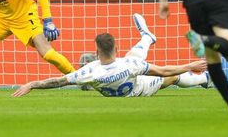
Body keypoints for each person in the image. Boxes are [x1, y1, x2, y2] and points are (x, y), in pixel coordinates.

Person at [12, 14, 211, 98]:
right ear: (116, 49)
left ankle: (148, 38)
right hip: (139, 90)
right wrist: (189, 65)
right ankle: (204, 78)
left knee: (138, 58)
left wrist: (31, 84)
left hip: (131, 83)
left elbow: (58, 81)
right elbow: (164, 69)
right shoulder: (129, 65)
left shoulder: (89, 71)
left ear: (96, 52)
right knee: (171, 77)